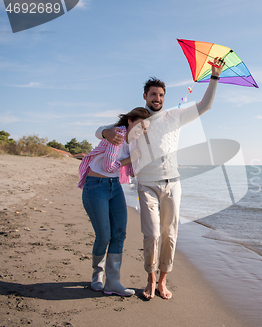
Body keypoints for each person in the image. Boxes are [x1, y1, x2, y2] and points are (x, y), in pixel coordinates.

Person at [94, 58, 225, 300]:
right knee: (152, 234)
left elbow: (206, 105)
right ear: (145, 95)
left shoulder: (175, 116)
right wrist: (105, 132)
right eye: (153, 94)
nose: (158, 98)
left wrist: (214, 76)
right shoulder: (135, 120)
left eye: (161, 94)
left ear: (165, 97)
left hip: (173, 184)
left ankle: (163, 280)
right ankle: (150, 278)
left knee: (170, 235)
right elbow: (100, 129)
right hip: (146, 185)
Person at [78, 107, 151, 296]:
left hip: (114, 186)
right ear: (130, 121)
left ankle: (113, 282)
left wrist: (137, 161)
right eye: (140, 125)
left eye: (145, 129)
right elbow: (109, 166)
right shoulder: (118, 135)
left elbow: (130, 170)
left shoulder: (133, 142)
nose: (141, 130)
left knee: (119, 234)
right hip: (96, 186)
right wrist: (130, 159)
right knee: (104, 235)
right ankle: (98, 274)